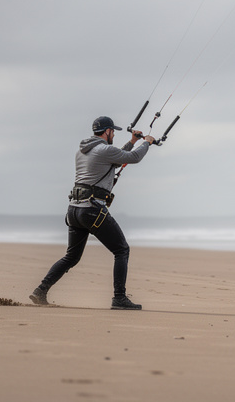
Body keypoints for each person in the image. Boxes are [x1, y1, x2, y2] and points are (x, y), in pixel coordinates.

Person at [30, 115, 154, 310]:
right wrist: (146, 143)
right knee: (122, 250)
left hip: (74, 211)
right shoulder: (105, 150)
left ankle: (40, 291)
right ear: (107, 132)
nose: (113, 134)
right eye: (113, 131)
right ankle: (119, 298)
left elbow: (115, 157)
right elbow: (133, 158)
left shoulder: (83, 151)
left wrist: (132, 141)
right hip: (92, 210)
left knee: (71, 257)